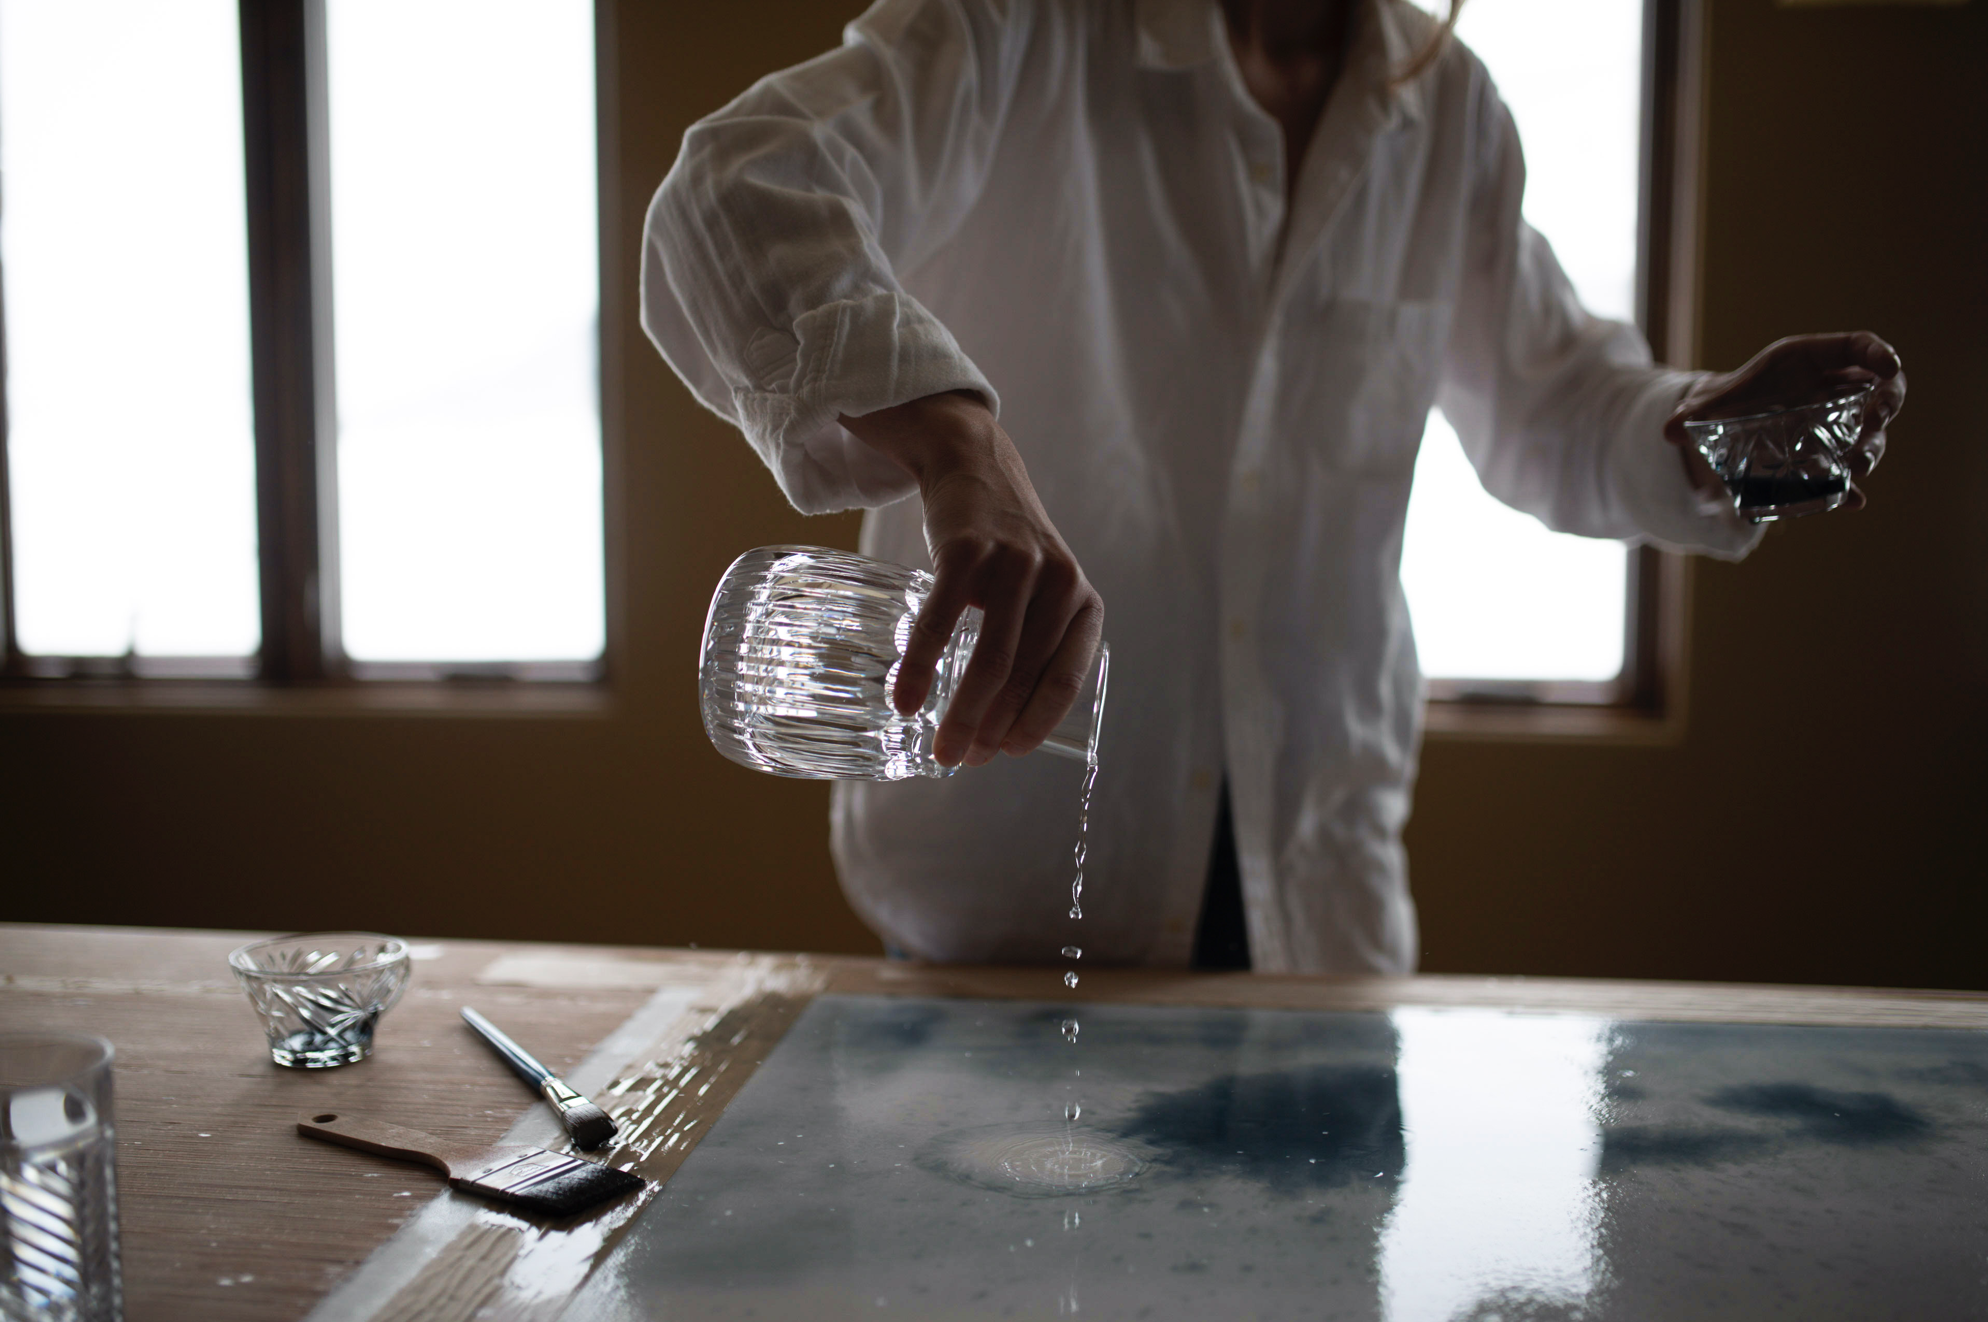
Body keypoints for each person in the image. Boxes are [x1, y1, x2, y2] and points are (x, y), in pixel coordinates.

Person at [641, 0, 1906, 974]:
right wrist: (960, 447)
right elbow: (730, 191)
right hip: (997, 932)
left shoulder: (1449, 114)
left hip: (1327, 922)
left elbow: (1562, 405)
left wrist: (1711, 434)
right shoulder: (1017, 27)